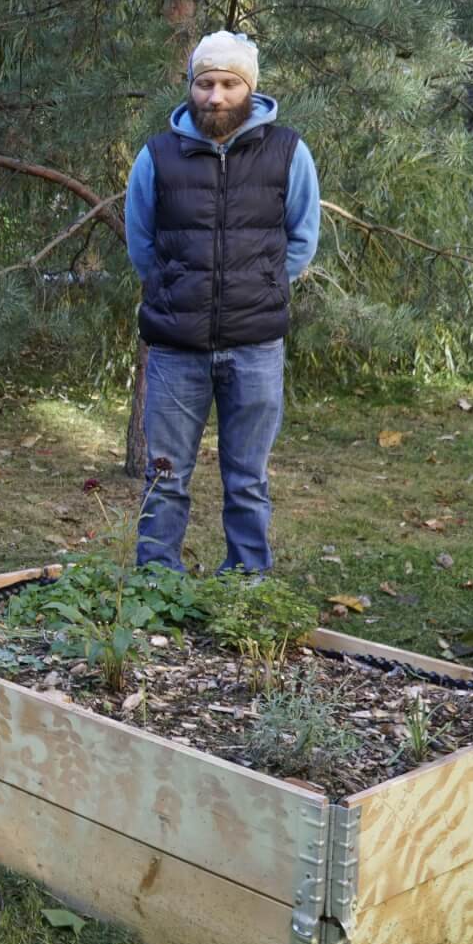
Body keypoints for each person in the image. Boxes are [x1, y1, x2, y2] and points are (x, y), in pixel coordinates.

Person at [125, 31, 320, 572]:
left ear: (249, 89)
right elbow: (141, 243)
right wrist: (174, 291)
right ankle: (157, 587)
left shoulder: (287, 151)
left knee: (248, 480)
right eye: (205, 83)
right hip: (175, 349)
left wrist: (261, 286)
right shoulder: (158, 155)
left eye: (229, 84)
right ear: (192, 87)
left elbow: (302, 237)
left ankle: (247, 586)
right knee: (164, 478)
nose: (216, 96)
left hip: (255, 348)